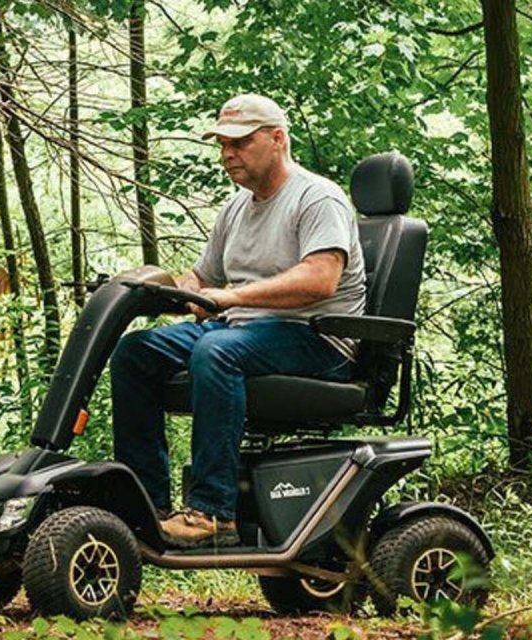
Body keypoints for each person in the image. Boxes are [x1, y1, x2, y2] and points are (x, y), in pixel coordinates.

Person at [110, 94, 367, 548]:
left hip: (317, 339)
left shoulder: (317, 198)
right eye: (222, 145)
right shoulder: (236, 208)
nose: (228, 154)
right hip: (243, 331)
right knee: (135, 352)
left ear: (277, 139)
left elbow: (321, 279)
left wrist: (230, 297)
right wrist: (152, 290)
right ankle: (147, 505)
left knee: (217, 351)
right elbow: (202, 277)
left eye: (239, 143)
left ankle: (212, 513)